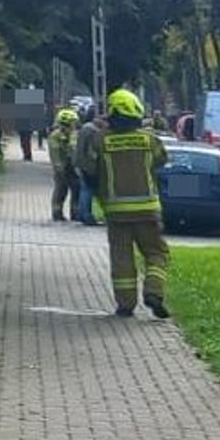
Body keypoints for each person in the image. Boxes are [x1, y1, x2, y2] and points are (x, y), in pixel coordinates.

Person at [80, 88, 171, 319]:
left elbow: (88, 168)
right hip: (147, 211)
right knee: (156, 253)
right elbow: (161, 160)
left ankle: (125, 305)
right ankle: (154, 292)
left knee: (122, 258)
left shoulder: (101, 141)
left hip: (116, 212)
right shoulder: (149, 140)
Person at [48, 108, 81, 221]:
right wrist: (58, 168)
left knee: (76, 189)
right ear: (66, 123)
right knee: (61, 190)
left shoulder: (73, 135)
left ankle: (75, 213)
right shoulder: (55, 136)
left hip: (72, 167)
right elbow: (55, 154)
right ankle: (57, 213)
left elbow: (75, 150)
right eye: (73, 123)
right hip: (61, 167)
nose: (74, 126)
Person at [75, 106, 102, 226]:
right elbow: (92, 151)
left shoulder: (85, 128)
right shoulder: (93, 131)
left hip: (81, 163)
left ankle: (82, 214)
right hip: (89, 165)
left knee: (84, 189)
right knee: (88, 190)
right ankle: (87, 215)